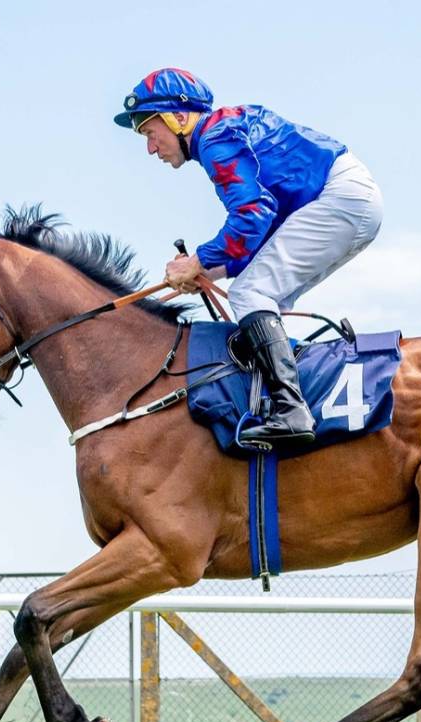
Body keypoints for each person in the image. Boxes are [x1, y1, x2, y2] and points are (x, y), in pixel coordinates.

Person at [114, 68, 384, 449]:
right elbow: (258, 229)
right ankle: (281, 392)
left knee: (249, 294)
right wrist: (209, 268)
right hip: (347, 199)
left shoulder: (214, 138)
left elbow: (253, 213)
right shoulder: (223, 131)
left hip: (338, 199)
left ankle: (291, 411)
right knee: (260, 296)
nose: (150, 147)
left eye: (149, 131)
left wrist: (198, 261)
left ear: (177, 117)